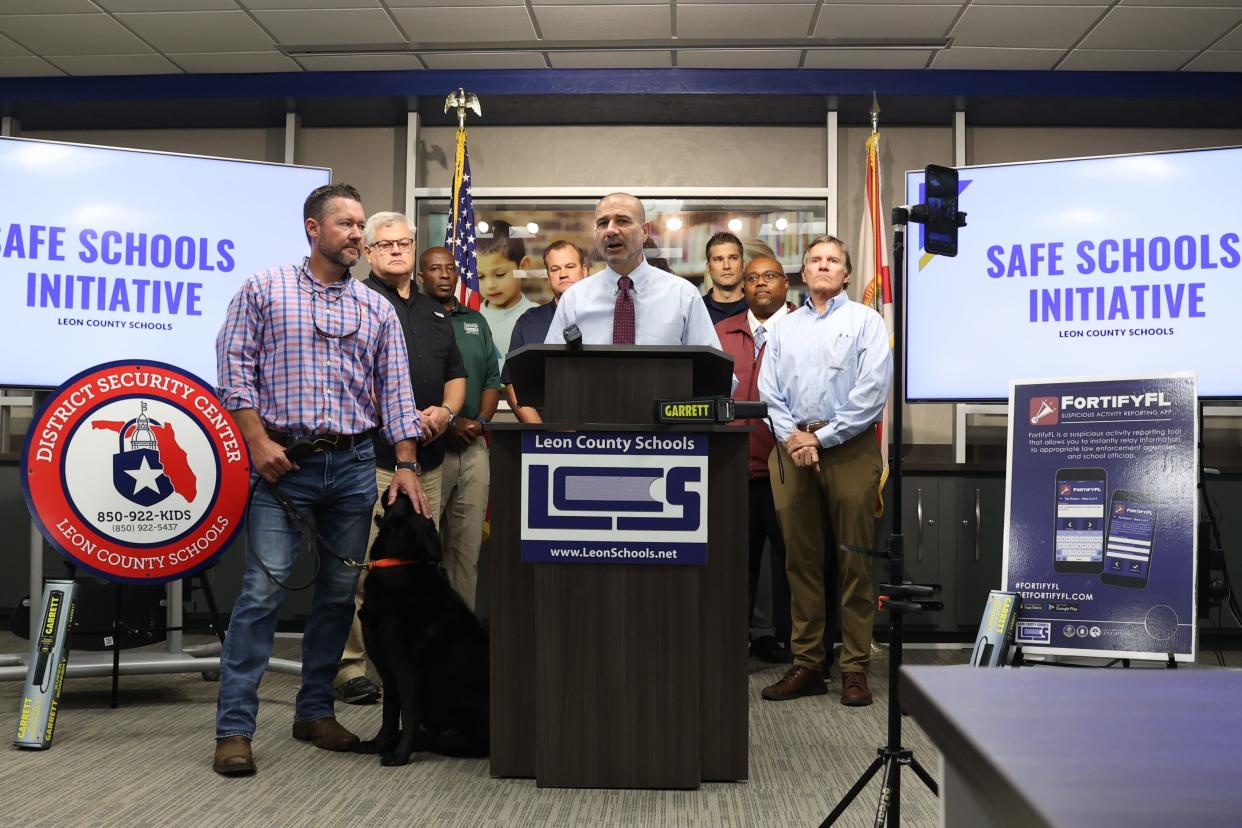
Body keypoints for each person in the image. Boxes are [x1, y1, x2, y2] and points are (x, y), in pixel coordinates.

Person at [212, 183, 431, 776]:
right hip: (285, 466)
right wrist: (257, 443)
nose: (358, 235)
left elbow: (396, 395)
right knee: (262, 594)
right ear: (313, 228)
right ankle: (234, 729)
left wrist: (406, 464)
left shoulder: (376, 307)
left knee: (337, 598)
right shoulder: (263, 289)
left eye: (362, 225)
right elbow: (235, 372)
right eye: (347, 225)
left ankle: (313, 712)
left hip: (356, 466)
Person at [333, 211, 467, 706]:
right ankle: (350, 667)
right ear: (367, 253)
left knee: (417, 567)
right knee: (365, 567)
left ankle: (412, 662)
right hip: (372, 458)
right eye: (384, 244)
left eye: (404, 243)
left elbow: (456, 374)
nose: (396, 251)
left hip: (427, 460)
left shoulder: (436, 310)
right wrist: (401, 414)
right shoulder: (357, 303)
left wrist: (447, 412)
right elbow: (345, 377)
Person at [757, 235, 892, 707]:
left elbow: (872, 392)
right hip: (792, 449)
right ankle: (809, 663)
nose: (823, 265)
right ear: (803, 271)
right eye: (815, 259)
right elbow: (768, 391)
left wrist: (822, 437)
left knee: (855, 561)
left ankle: (854, 666)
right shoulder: (784, 329)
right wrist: (794, 438)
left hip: (848, 449)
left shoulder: (866, 322)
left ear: (848, 273)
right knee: (801, 563)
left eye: (833, 260)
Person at [716, 255, 796, 665]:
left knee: (793, 567)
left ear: (785, 283)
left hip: (789, 469)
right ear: (742, 288)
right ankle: (733, 649)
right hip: (734, 469)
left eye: (769, 276)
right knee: (735, 566)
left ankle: (792, 647)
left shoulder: (804, 328)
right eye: (752, 278)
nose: (760, 283)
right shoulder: (721, 333)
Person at [418, 246, 502, 610]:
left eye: (450, 268)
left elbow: (491, 379)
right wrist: (448, 421)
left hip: (473, 445)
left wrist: (480, 422)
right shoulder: (414, 318)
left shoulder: (476, 320)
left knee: (466, 550)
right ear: (420, 277)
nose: (444, 274)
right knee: (423, 548)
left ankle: (459, 634)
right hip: (429, 445)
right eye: (434, 269)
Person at [545, 192, 721, 349]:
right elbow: (549, 372)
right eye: (603, 223)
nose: (611, 230)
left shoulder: (683, 296)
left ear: (644, 231)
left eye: (622, 220)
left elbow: (714, 375)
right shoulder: (574, 299)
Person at [502, 240, 587, 423]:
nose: (563, 274)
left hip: (601, 436)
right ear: (548, 277)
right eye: (555, 269)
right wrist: (541, 434)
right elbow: (513, 385)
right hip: (543, 437)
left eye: (570, 266)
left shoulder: (605, 318)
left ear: (585, 271)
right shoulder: (528, 323)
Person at [478, 220, 536, 372]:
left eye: (500, 274)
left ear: (523, 267)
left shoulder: (537, 316)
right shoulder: (472, 317)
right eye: (480, 277)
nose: (490, 285)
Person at [702, 231, 748, 325]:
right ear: (708, 267)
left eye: (733, 258)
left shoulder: (757, 307)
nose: (726, 266)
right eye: (718, 259)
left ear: (743, 264)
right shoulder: (697, 309)